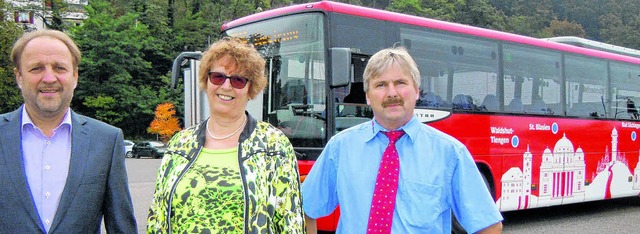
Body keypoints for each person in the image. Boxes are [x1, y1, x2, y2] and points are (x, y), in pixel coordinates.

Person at [302, 46, 503, 233]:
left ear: (416, 90)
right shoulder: (340, 148)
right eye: (381, 85)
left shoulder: (450, 153)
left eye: (400, 83)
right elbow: (305, 209)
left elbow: (489, 225)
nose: (392, 93)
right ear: (368, 96)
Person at [146, 37, 305, 233]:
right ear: (206, 80)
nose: (226, 87)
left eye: (238, 80)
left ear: (250, 89)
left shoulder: (273, 145)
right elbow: (158, 218)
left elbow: (291, 221)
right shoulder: (180, 144)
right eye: (218, 77)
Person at [0, 30, 137, 232]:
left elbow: (121, 227)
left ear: (75, 76)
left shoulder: (106, 141)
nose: (48, 78)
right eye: (36, 68)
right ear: (19, 76)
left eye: (59, 68)